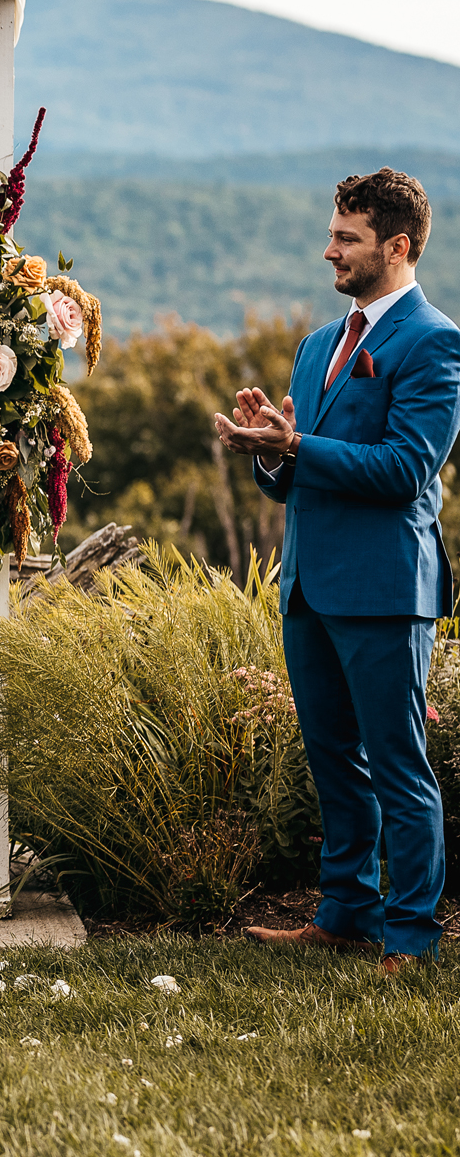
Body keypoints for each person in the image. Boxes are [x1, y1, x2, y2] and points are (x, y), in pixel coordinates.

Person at [214, 167, 459, 974]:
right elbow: (295, 474)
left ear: (396, 246)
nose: (329, 251)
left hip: (386, 590)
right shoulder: (319, 345)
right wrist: (270, 448)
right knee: (332, 759)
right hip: (309, 585)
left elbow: (403, 471)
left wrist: (295, 446)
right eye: (332, 233)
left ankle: (412, 936)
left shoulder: (434, 341)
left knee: (397, 766)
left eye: (347, 239)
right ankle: (344, 911)